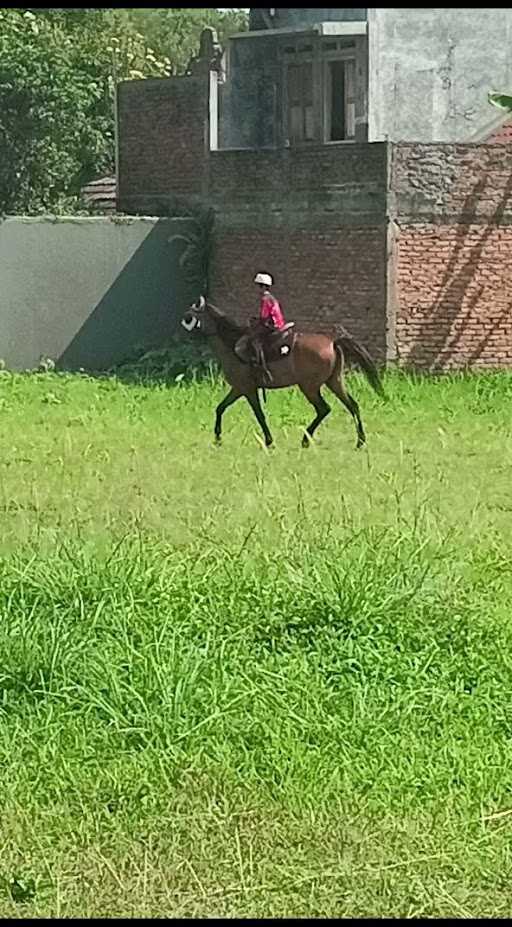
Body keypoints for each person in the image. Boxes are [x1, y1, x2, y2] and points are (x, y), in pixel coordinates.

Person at [241, 272, 287, 384]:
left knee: (253, 340)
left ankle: (261, 367)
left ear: (262, 286)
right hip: (279, 323)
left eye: (258, 286)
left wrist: (255, 322)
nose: (257, 289)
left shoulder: (265, 299)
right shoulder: (271, 298)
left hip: (272, 326)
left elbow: (264, 317)